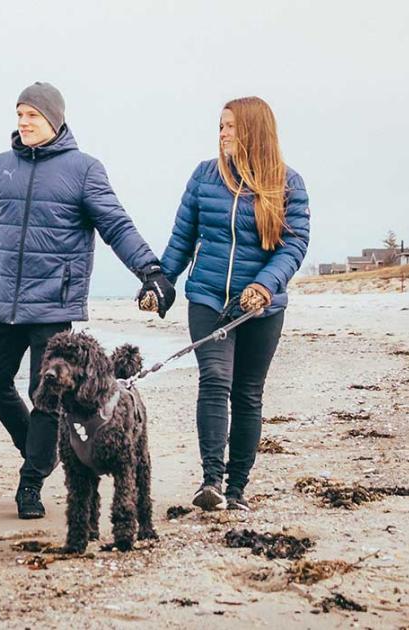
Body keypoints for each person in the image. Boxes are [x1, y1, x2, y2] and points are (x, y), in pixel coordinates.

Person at [0, 81, 174, 519]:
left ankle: (30, 482)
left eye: (31, 115)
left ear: (53, 118)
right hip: (1, 301)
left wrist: (150, 271)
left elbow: (115, 225)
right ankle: (44, 451)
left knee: (47, 397)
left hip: (53, 304)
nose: (23, 122)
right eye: (18, 115)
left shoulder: (84, 169)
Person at [160, 96, 310, 512]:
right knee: (213, 379)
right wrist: (160, 282)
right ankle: (211, 480)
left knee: (247, 393)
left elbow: (293, 244)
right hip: (208, 297)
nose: (222, 132)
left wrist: (264, 286)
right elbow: (181, 239)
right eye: (220, 125)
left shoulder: (288, 184)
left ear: (252, 131)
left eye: (229, 126)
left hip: (260, 307)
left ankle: (237, 489)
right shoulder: (205, 177)